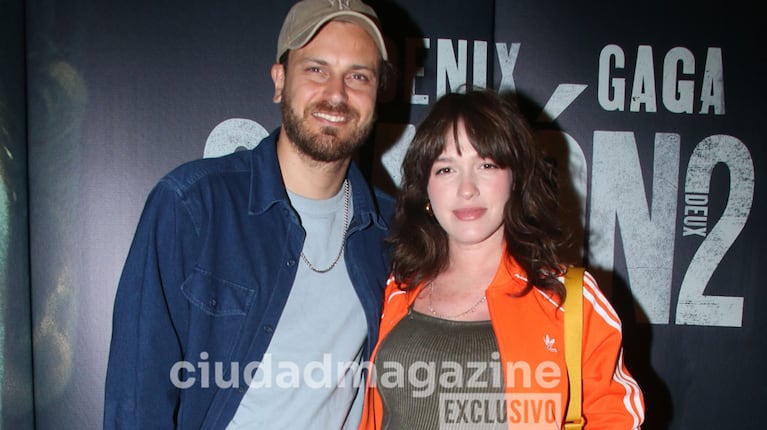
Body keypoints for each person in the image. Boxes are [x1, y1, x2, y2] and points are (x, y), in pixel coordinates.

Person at [104, 0, 394, 428]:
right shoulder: (192, 206)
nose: (336, 93)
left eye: (358, 76)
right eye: (316, 69)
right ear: (280, 81)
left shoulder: (391, 230)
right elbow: (136, 398)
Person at [358, 89, 645, 429]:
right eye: (446, 169)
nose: (467, 189)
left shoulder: (568, 297)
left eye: (486, 165)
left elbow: (617, 417)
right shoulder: (397, 288)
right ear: (425, 189)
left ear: (516, 179)